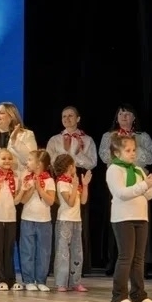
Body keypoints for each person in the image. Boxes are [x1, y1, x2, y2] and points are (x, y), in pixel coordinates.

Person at [99, 104, 152, 275]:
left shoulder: (142, 137)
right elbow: (105, 156)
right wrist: (121, 149)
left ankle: (141, 264)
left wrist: (132, 146)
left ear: (134, 118)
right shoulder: (109, 136)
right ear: (116, 118)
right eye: (121, 114)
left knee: (140, 221)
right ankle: (114, 261)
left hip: (140, 180)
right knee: (120, 221)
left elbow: (151, 157)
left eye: (128, 114)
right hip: (118, 179)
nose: (124, 116)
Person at [105, 134, 152, 302]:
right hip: (123, 218)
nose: (132, 153)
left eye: (134, 150)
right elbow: (121, 193)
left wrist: (147, 186)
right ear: (117, 152)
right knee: (125, 257)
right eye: (128, 150)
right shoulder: (114, 170)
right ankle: (118, 296)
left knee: (139, 258)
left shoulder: (138, 170)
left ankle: (138, 295)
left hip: (140, 216)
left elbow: (149, 195)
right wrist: (144, 185)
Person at [45, 106, 96, 276]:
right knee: (60, 216)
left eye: (70, 116)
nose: (67, 119)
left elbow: (92, 162)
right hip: (59, 177)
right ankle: (58, 266)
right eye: (64, 116)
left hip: (79, 176)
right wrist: (65, 158)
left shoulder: (86, 139)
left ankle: (79, 266)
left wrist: (76, 154)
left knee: (79, 217)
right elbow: (49, 160)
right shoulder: (55, 139)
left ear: (78, 118)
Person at [18, 150, 56, 292]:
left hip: (44, 221)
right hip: (27, 219)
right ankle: (28, 280)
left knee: (43, 252)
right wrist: (31, 187)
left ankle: (41, 280)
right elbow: (23, 200)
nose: (27, 162)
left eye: (30, 160)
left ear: (39, 164)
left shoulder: (49, 180)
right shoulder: (26, 178)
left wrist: (40, 188)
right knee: (27, 251)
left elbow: (50, 201)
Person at [53, 153, 91, 292]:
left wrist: (84, 185)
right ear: (69, 167)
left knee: (77, 252)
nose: (75, 167)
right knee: (63, 253)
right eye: (74, 165)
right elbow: (70, 202)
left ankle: (75, 281)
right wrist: (75, 186)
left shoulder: (72, 182)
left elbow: (83, 201)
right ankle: (61, 283)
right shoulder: (62, 183)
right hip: (65, 220)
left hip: (76, 220)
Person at [0, 149, 23, 291]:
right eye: (3, 158)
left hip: (10, 218)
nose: (7, 161)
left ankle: (11, 279)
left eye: (9, 158)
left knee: (9, 249)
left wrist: (23, 190)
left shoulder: (15, 178)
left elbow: (16, 201)